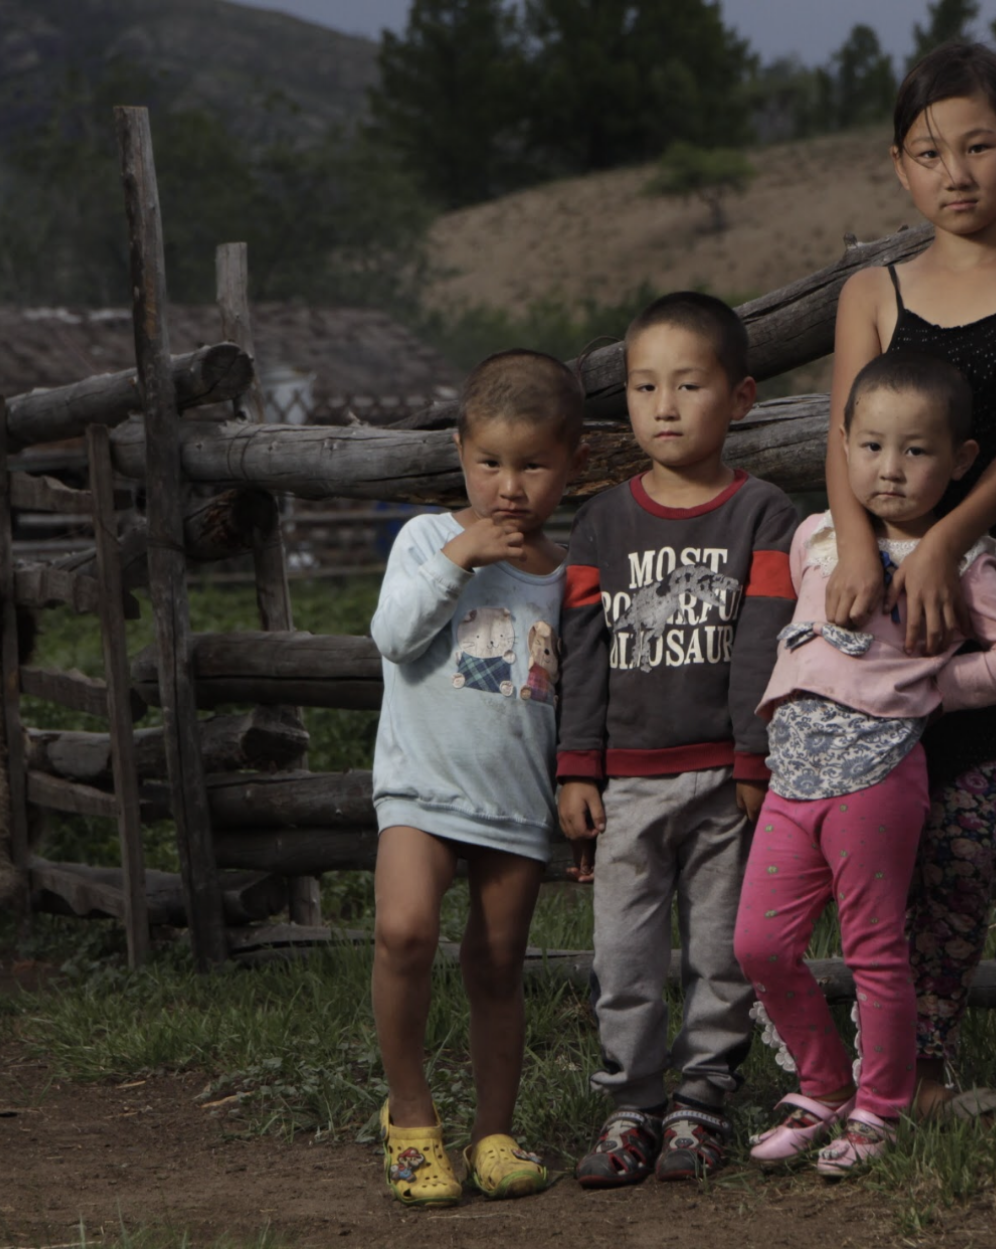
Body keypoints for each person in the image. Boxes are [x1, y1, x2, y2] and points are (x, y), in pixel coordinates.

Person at [822, 41, 996, 1116]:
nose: (956, 172)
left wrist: (943, 542)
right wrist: (859, 550)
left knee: (959, 845)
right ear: (899, 167)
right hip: (871, 622)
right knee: (866, 842)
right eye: (930, 153)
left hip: (978, 605)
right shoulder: (872, 292)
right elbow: (844, 440)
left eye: (979, 146)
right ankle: (861, 1059)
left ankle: (925, 1063)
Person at [734, 352, 996, 1174]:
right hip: (793, 768)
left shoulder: (965, 562)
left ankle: (880, 1105)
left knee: (874, 949)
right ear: (842, 445)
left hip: (879, 774)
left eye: (916, 451)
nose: (890, 468)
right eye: (873, 446)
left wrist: (931, 686)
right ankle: (822, 1085)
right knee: (759, 943)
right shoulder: (814, 537)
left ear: (961, 460)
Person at [557, 291, 800, 1187]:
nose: (664, 406)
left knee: (721, 951)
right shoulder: (601, 520)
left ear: (739, 397)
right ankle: (631, 1103)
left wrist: (753, 757)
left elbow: (764, 643)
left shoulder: (763, 513)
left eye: (688, 385)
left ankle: (702, 1103)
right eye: (644, 386)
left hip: (724, 780)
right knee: (622, 953)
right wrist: (576, 766)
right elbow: (582, 654)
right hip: (624, 783)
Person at [369, 349, 588, 1207]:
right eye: (490, 462)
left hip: (514, 802)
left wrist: (581, 787)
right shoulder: (427, 539)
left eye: (533, 464)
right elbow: (394, 635)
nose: (510, 487)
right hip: (421, 789)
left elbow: (581, 697)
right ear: (461, 450)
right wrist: (461, 553)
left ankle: (494, 1132)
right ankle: (411, 1118)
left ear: (572, 462)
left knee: (498, 963)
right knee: (404, 932)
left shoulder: (569, 575)